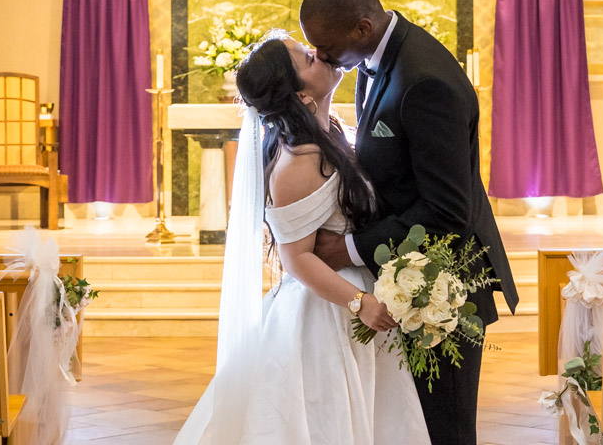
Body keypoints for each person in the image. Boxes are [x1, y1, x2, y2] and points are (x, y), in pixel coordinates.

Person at [173, 32, 431, 445]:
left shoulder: (329, 131)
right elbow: (296, 259)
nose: (320, 54)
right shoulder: (298, 161)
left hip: (351, 296)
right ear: (298, 94)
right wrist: (360, 302)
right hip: (326, 314)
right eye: (306, 58)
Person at [300, 0, 520, 445]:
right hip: (406, 268)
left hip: (445, 283)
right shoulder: (376, 57)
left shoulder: (424, 82)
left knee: (444, 428)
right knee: (410, 424)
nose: (321, 58)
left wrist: (350, 249)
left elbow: (448, 210)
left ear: (361, 28)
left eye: (326, 47)